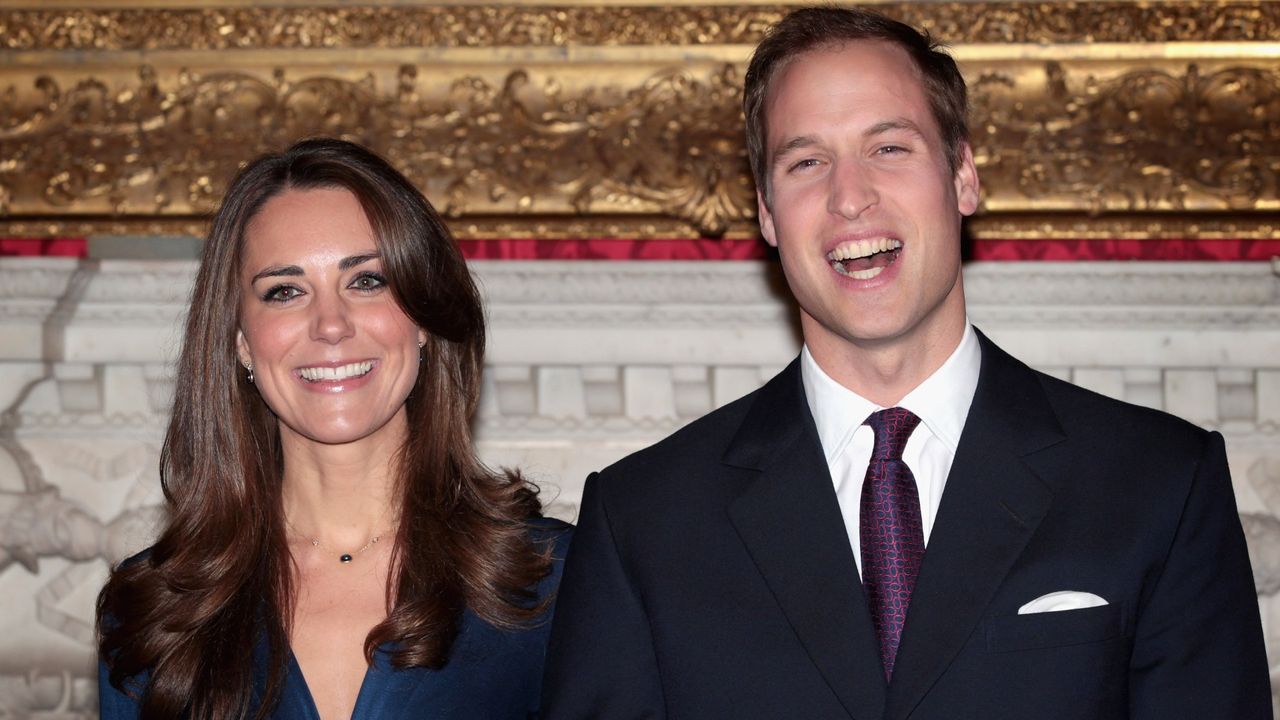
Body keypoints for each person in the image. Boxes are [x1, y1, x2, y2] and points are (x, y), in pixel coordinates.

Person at [541, 7, 1270, 719]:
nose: (849, 198)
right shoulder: (643, 520)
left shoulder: (1161, 485)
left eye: (889, 148)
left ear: (963, 177)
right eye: (806, 161)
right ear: (766, 212)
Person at [97, 138, 570, 720]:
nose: (330, 325)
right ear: (241, 340)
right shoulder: (154, 607)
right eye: (285, 291)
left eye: (366, 281)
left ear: (421, 318)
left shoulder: (557, 582)